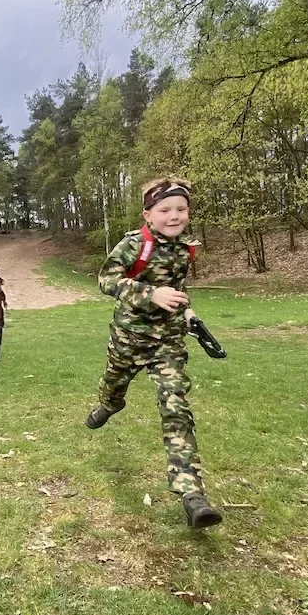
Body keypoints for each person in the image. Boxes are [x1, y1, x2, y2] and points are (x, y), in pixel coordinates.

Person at [85, 177, 223, 530]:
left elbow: (178, 287)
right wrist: (151, 294)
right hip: (128, 339)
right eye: (165, 210)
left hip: (169, 340)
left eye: (181, 209)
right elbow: (106, 280)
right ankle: (109, 404)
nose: (174, 216)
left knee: (176, 405)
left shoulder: (184, 248)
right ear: (148, 214)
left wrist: (188, 313)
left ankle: (192, 494)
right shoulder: (135, 244)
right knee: (113, 386)